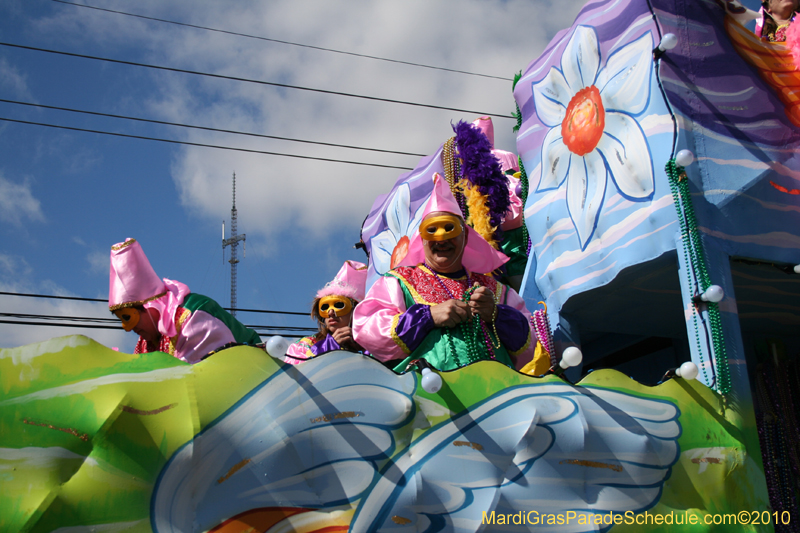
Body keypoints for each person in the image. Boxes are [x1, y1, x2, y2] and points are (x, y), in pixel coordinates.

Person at [353, 173, 549, 374]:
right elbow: (367, 330)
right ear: (422, 240)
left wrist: (496, 315)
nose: (442, 239)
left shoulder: (497, 291)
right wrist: (428, 317)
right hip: (429, 395)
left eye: (449, 229)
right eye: (432, 231)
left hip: (495, 395)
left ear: (465, 237)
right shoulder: (398, 283)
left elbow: (533, 346)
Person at [108, 238, 261, 363]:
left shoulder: (193, 315)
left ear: (148, 306)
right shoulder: (146, 344)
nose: (127, 328)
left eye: (127, 317)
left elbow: (194, 377)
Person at [284, 260, 368, 364]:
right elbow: (294, 371)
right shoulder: (306, 345)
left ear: (356, 311)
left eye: (339, 305)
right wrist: (327, 348)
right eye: (325, 307)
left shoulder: (372, 347)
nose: (331, 312)